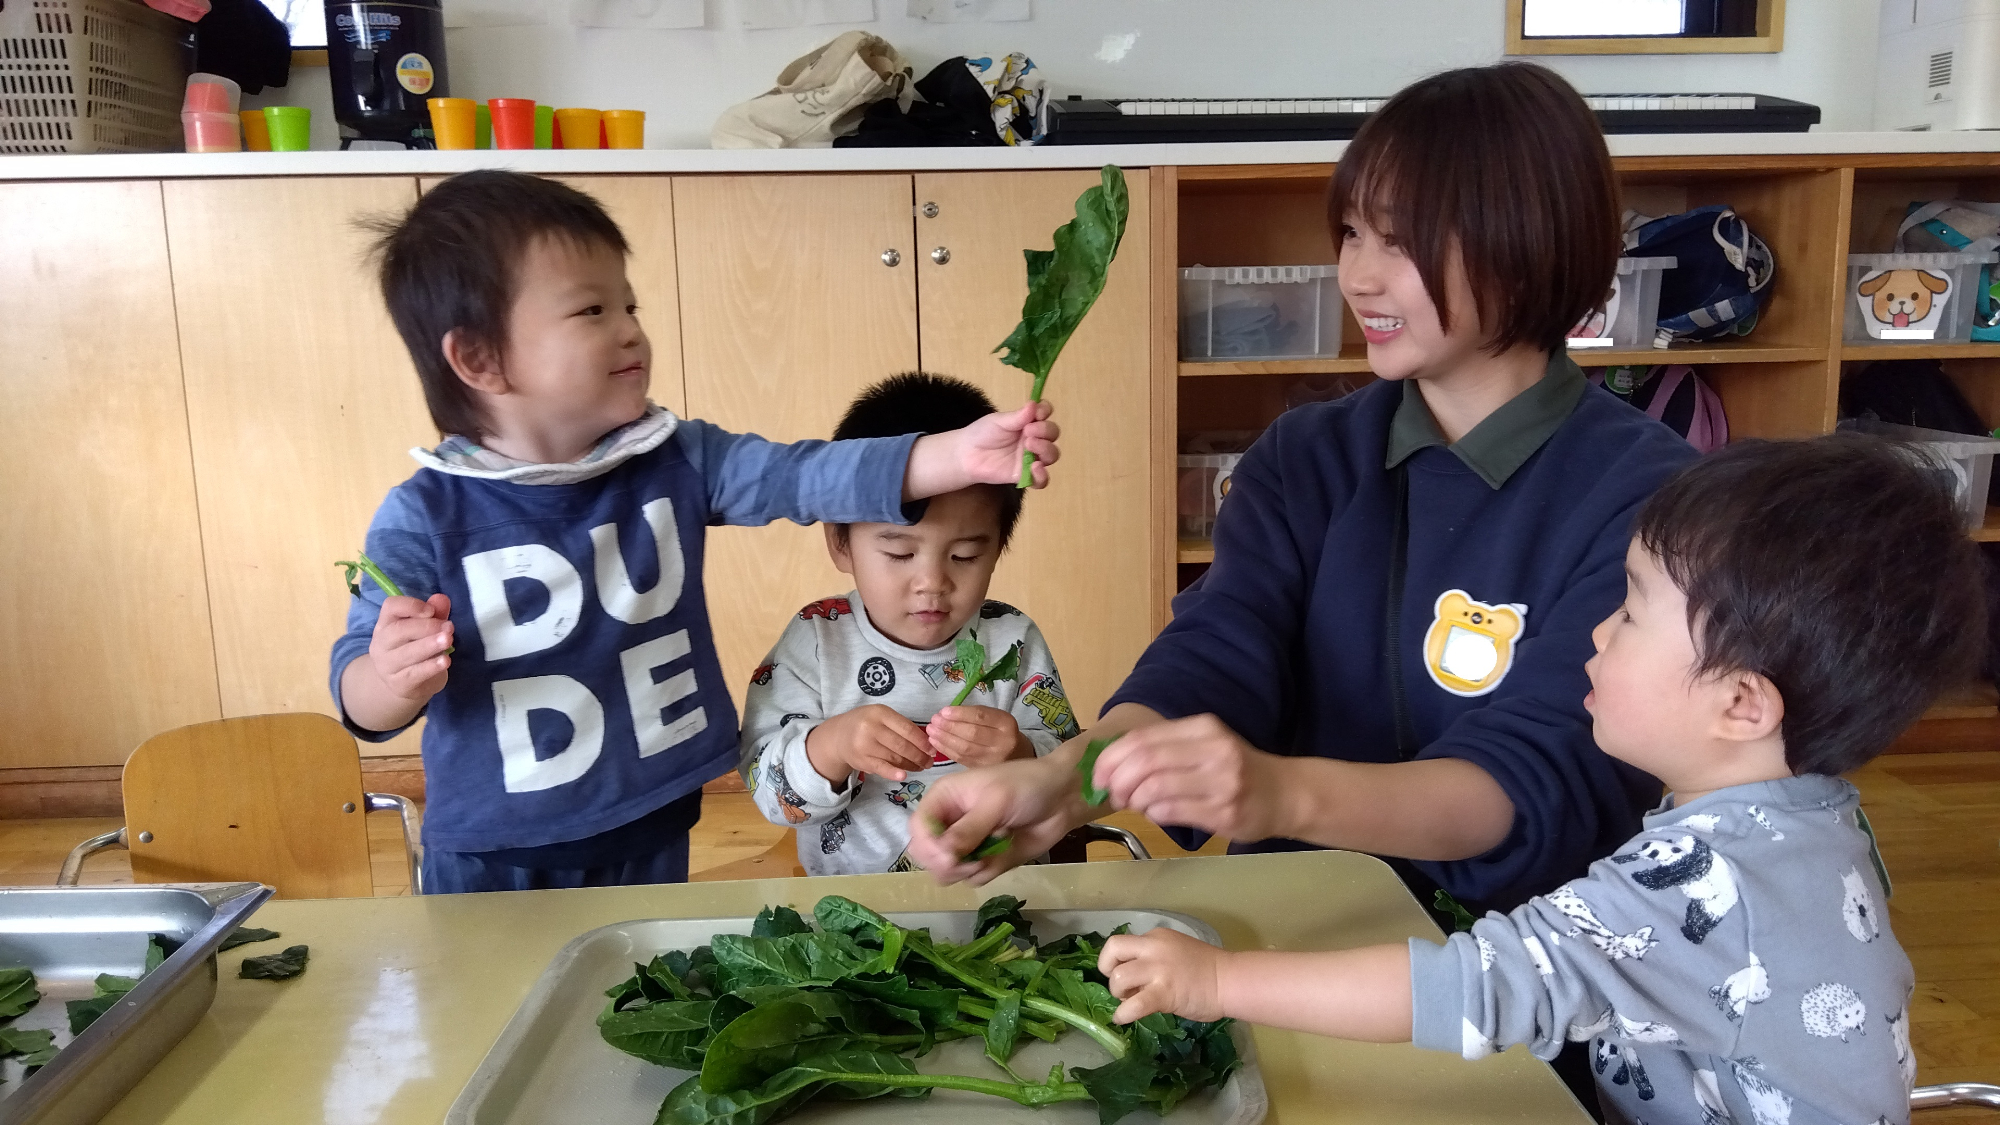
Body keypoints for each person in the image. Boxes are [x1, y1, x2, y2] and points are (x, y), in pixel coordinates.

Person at [909, 62, 1699, 918]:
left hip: (1525, 961)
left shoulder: (1651, 497)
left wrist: (1280, 794)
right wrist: (1070, 781)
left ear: (1528, 239)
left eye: (1400, 241)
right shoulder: (1306, 454)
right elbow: (1218, 650)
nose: (1357, 276)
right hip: (1293, 923)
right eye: (1352, 232)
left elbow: (1544, 771)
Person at [1094, 433, 1987, 1125]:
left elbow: (1470, 988)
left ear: (1743, 704)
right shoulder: (1819, 815)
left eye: (1632, 610)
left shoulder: (1698, 882)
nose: (1596, 634)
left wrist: (1216, 983)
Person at [328, 172, 1060, 894]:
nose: (631, 329)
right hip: (498, 848)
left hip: (652, 818)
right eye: (591, 310)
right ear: (481, 359)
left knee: (635, 1000)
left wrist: (956, 455)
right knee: (492, 1009)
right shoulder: (422, 515)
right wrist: (390, 680)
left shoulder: (676, 458)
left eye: (629, 303)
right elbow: (360, 696)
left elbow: (805, 475)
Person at [740, 373, 1081, 876]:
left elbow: (1070, 774)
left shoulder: (1012, 637)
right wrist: (832, 747)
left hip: (999, 907)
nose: (932, 582)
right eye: (899, 553)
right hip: (856, 924)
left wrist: (1021, 752)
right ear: (841, 543)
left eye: (965, 555)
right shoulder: (817, 638)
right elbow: (771, 794)